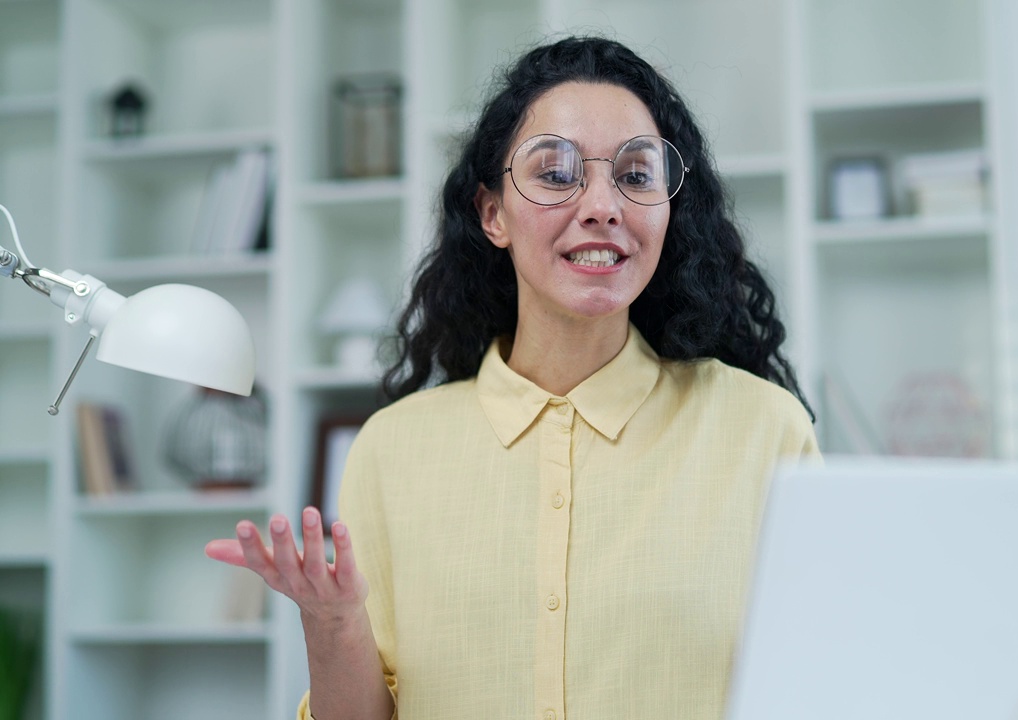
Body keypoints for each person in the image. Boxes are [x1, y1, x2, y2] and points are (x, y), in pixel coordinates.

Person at [206, 35, 818, 720]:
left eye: (636, 175)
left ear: (670, 210)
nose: (602, 205)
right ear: (492, 214)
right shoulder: (393, 449)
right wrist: (332, 622)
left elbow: (822, 684)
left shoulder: (764, 431)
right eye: (556, 173)